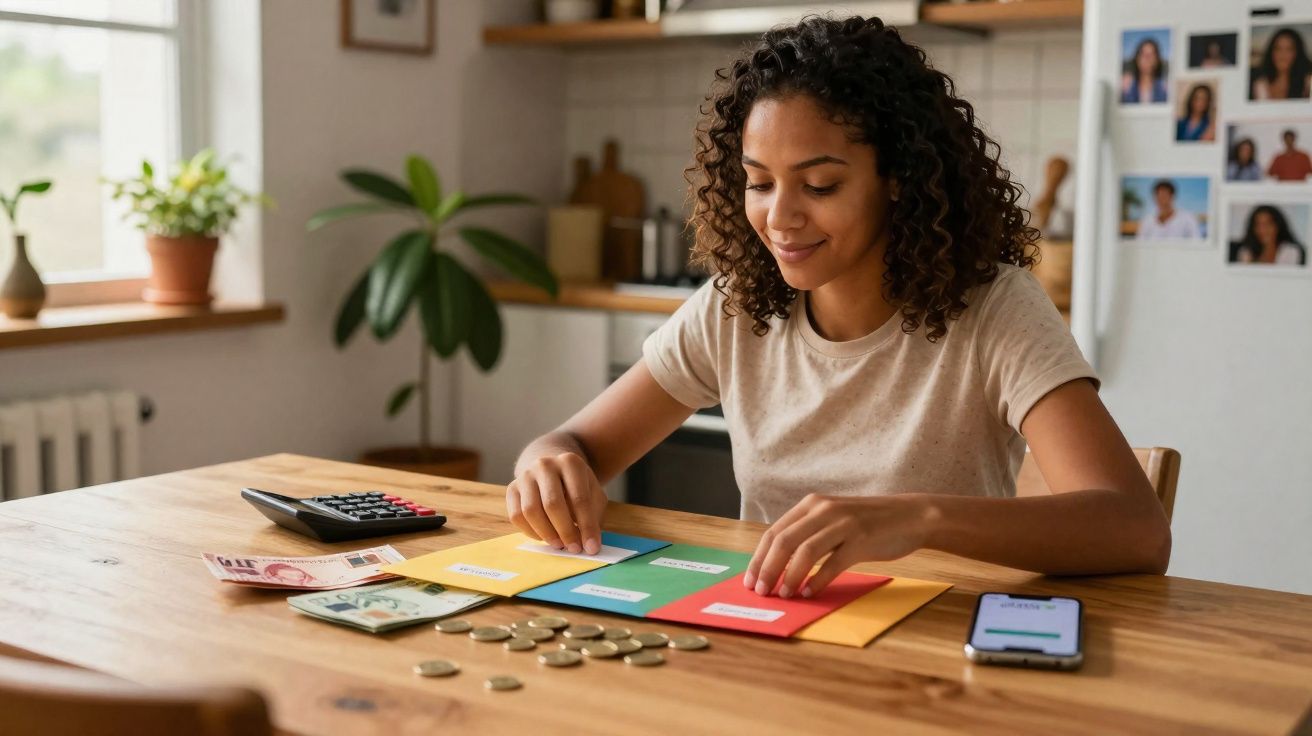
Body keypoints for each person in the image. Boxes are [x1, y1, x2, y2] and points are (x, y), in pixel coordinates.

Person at [506, 16, 1171, 599]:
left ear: (899, 180)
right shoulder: (738, 307)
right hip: (772, 635)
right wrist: (547, 463)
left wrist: (920, 519)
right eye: (759, 183)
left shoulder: (993, 309)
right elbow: (572, 446)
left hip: (932, 654)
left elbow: (1135, 529)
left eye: (820, 184)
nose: (780, 217)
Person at [1233, 205, 1307, 265]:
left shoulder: (1290, 251)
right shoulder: (1245, 252)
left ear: (1277, 226)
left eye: (1268, 224)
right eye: (1258, 225)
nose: (1262, 230)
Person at [1251, 27, 1312, 100]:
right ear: (1271, 52)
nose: (1282, 55)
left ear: (1297, 53)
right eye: (1278, 48)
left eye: (1289, 49)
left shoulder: (1308, 83)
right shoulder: (1260, 85)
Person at [1137, 180, 1202, 240]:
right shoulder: (1147, 221)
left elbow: (1197, 242)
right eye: (1158, 196)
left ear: (1172, 196)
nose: (1161, 200)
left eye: (1164, 196)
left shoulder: (1188, 219)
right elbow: (1139, 243)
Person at [1121, 37, 1169, 104]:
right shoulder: (1126, 85)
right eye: (1143, 54)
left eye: (1151, 55)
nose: (1147, 59)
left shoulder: (1165, 87)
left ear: (1157, 60)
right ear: (1137, 59)